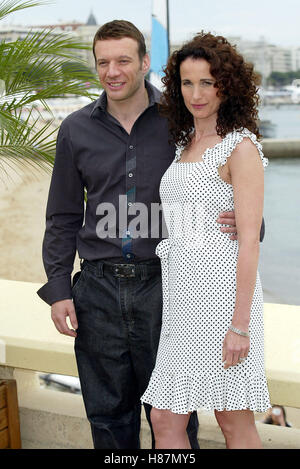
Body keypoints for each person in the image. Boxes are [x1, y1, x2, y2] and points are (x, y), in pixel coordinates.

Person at [37, 20, 252, 449]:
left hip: (167, 286)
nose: (112, 71)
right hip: (96, 290)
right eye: (103, 62)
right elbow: (62, 215)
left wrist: (247, 221)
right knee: (107, 415)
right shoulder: (76, 130)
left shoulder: (182, 120)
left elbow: (218, 181)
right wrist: (60, 288)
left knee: (172, 418)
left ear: (143, 61)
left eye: (122, 60)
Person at [141, 32, 271, 449]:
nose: (195, 94)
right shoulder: (184, 143)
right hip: (182, 301)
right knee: (164, 417)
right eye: (186, 82)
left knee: (232, 420)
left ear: (226, 86)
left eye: (207, 83)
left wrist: (239, 326)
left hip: (223, 305)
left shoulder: (241, 147)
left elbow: (249, 241)